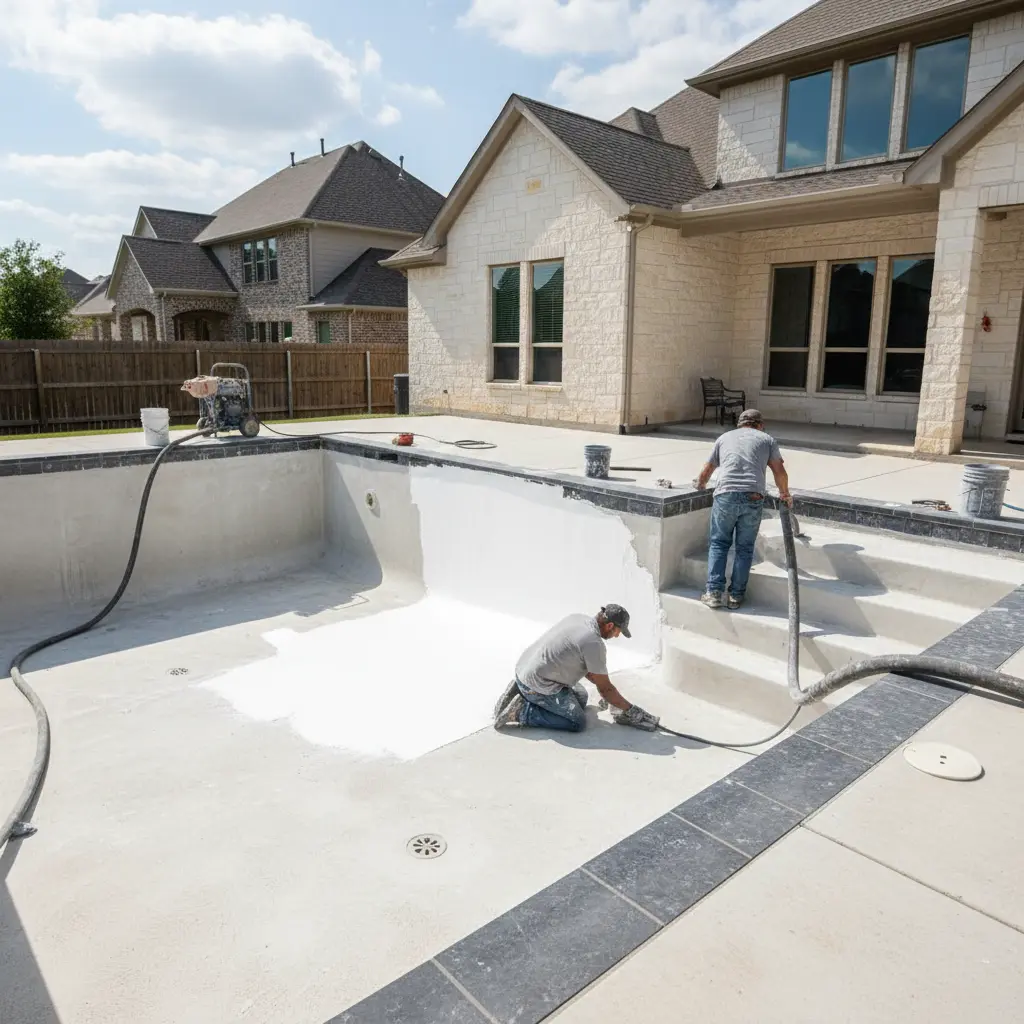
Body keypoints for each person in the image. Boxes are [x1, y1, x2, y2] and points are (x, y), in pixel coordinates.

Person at [494, 605, 659, 732]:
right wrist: (631, 711)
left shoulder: (579, 618)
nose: (617, 636)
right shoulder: (594, 643)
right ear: (609, 626)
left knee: (581, 697)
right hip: (537, 683)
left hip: (525, 668)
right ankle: (522, 711)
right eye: (618, 631)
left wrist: (612, 697)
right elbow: (606, 689)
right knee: (576, 722)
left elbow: (585, 667)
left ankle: (520, 690)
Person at [695, 409, 791, 610]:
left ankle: (713, 593)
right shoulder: (767, 439)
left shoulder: (724, 438)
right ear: (760, 425)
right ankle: (736, 596)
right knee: (745, 548)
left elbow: (708, 468)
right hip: (753, 496)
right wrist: (785, 494)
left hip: (726, 495)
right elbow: (779, 471)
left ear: (740, 424)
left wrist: (701, 484)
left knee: (719, 544)